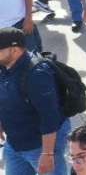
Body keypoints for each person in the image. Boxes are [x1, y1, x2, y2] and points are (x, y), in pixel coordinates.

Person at [0, 27, 71, 175]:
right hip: (15, 144)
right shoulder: (5, 66)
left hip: (41, 146)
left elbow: (50, 118)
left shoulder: (37, 74)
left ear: (14, 50)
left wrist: (47, 154)